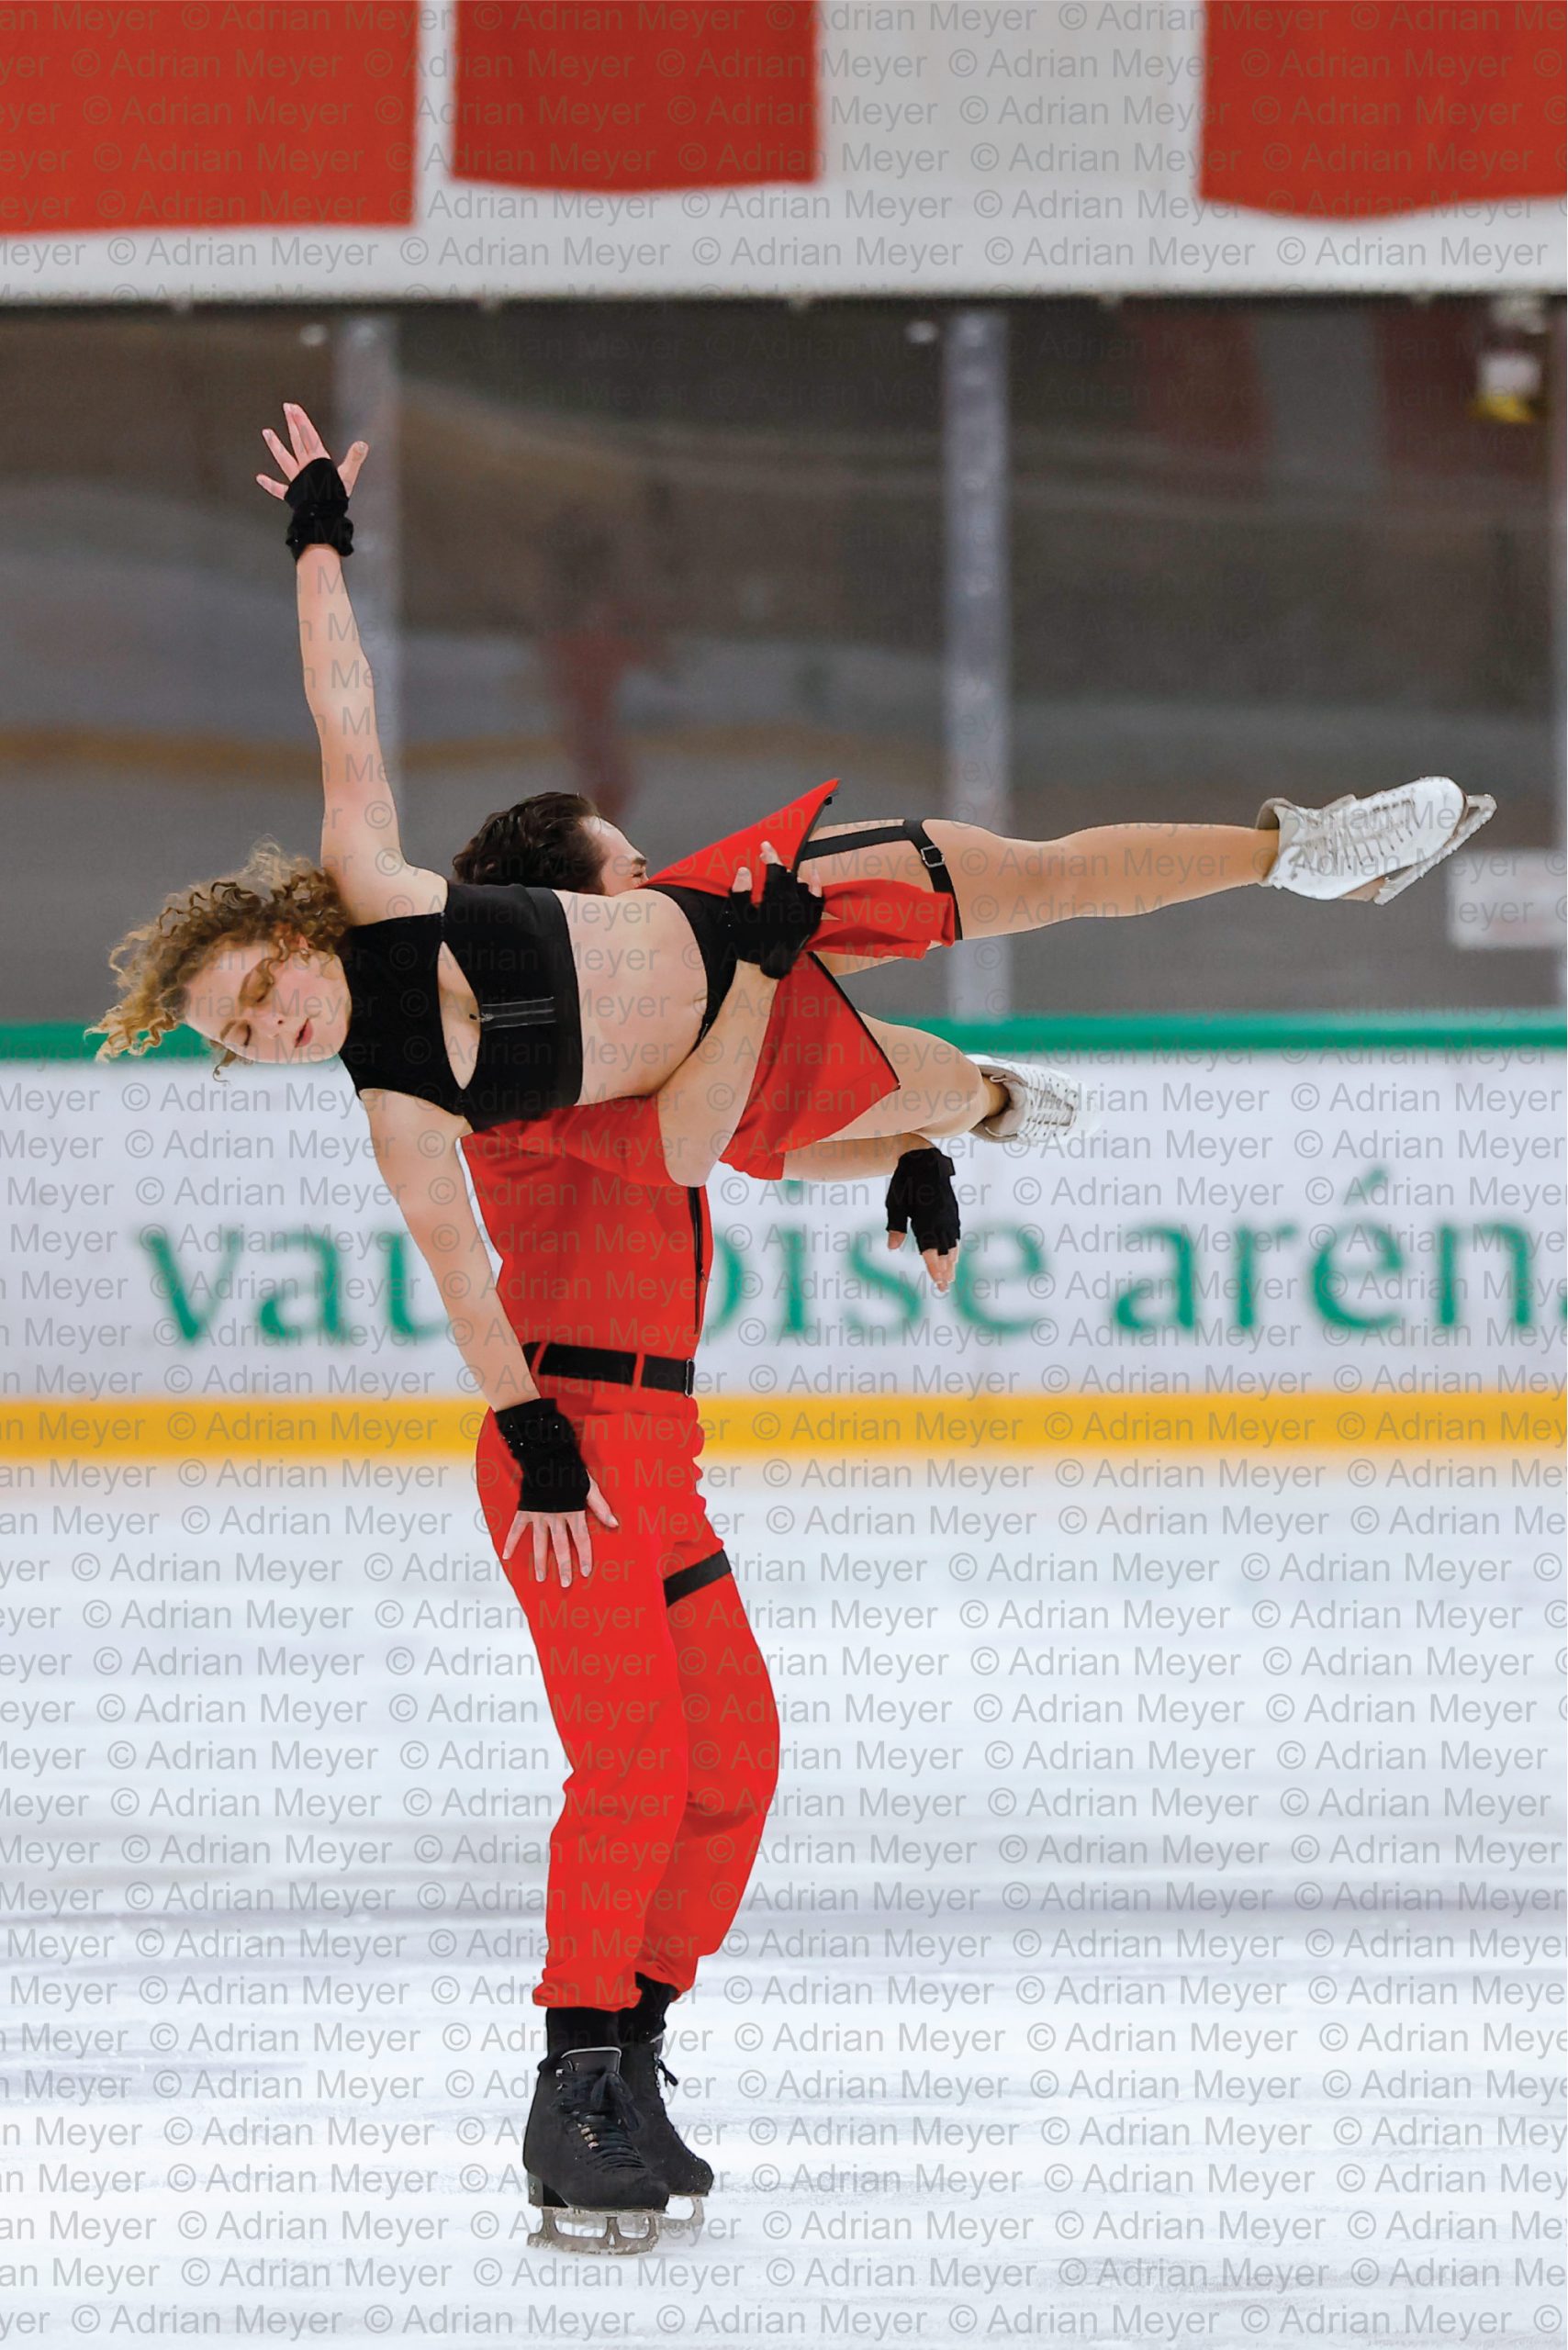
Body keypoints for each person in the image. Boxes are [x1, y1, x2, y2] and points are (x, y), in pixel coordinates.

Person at [461, 856, 961, 2254]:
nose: (651, 881)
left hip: (659, 1452)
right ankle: (568, 2090)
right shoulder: (521, 1071)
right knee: (632, 1769)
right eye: (622, 870)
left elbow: (764, 1136)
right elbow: (691, 1136)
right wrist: (749, 970)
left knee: (732, 1761)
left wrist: (911, 1142)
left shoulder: (656, 1050)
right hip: (568, 1452)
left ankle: (628, 2042)